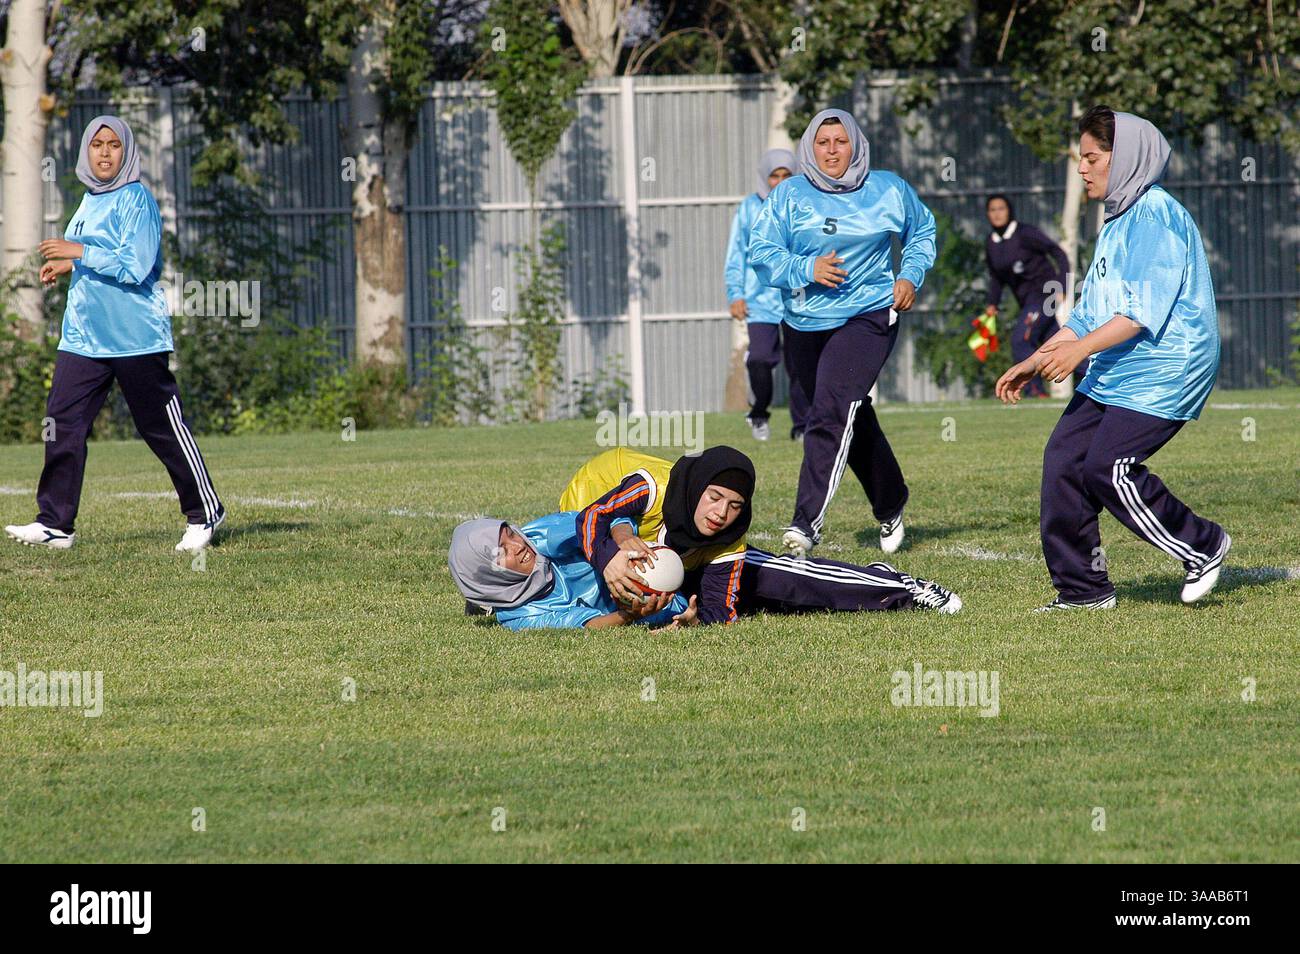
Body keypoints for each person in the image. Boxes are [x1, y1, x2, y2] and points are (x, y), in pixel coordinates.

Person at [996, 106, 1228, 610]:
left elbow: (1140, 313)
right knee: (1063, 460)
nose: (1083, 169)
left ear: (1122, 159)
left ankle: (1203, 544)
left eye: (1092, 157)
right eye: (1081, 158)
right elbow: (1090, 313)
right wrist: (1038, 358)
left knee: (1109, 465)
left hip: (1169, 365)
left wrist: (1079, 350)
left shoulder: (1157, 214)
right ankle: (1083, 591)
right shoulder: (1118, 219)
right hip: (1121, 366)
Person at [4, 115, 224, 553]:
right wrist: (69, 264)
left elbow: (136, 263)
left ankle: (204, 512)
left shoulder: (136, 198)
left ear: (126, 152)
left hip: (134, 337)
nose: (104, 153)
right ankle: (55, 523)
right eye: (97, 145)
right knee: (61, 422)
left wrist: (79, 251)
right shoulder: (89, 200)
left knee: (160, 426)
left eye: (114, 146)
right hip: (83, 338)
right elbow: (99, 256)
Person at [748, 108, 936, 559]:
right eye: (823, 143)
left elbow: (922, 230)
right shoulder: (788, 195)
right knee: (850, 412)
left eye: (841, 142)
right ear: (810, 148)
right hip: (805, 322)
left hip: (868, 315)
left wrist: (909, 276)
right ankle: (891, 502)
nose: (832, 151)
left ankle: (804, 525)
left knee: (831, 413)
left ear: (856, 144)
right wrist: (805, 267)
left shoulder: (888, 188)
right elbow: (761, 251)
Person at [554, 446, 959, 625]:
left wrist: (693, 622)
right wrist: (611, 554)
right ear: (697, 490)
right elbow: (594, 519)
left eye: (734, 505)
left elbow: (720, 612)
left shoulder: (729, 532)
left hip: (675, 553)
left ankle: (895, 585)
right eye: (714, 498)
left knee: (780, 581)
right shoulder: (653, 486)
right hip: (586, 515)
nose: (720, 514)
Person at [725, 148, 809, 442]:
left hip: (799, 298)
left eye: (787, 175)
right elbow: (736, 255)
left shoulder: (807, 206)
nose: (781, 181)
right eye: (775, 175)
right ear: (766, 178)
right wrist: (735, 294)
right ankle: (758, 413)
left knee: (800, 364)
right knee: (760, 358)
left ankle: (802, 426)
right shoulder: (749, 209)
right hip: (760, 301)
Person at [983, 194, 1070, 397]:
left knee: (1021, 340)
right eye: (992, 210)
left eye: (1001, 208)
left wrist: (1063, 285)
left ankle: (1034, 390)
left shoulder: (1025, 233)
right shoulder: (991, 242)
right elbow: (997, 277)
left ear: (1010, 210)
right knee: (1057, 346)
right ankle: (1098, 385)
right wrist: (992, 304)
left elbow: (1058, 253)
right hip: (1027, 302)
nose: (997, 213)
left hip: (1044, 296)